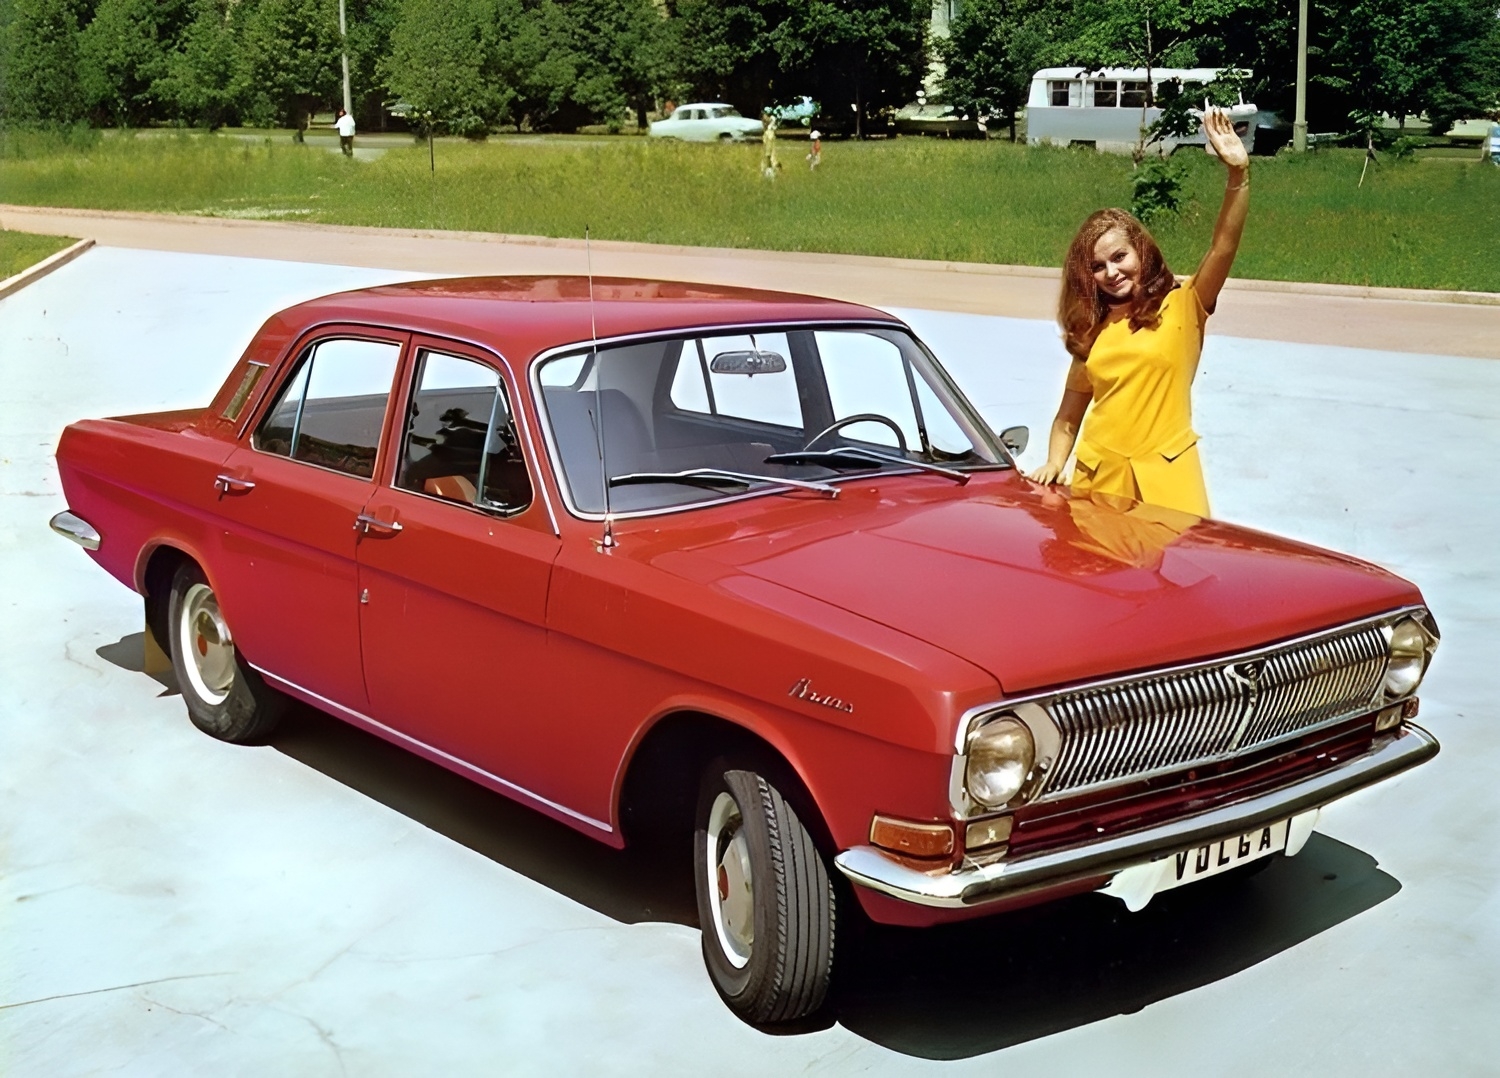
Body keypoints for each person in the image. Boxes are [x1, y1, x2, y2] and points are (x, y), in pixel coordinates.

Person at [1027, 107, 1250, 517]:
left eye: (1119, 257)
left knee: (1179, 580)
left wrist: (1238, 175)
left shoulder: (1185, 306)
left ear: (1141, 251)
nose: (1111, 272)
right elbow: (1068, 418)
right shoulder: (1092, 333)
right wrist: (1055, 463)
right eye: (1097, 266)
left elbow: (1223, 247)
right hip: (1099, 488)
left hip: (1168, 488)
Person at [761, 113, 781, 179]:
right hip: (771, 158)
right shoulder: (769, 131)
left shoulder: (769, 132)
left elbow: (768, 150)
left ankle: (770, 170)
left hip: (770, 159)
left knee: (770, 156)